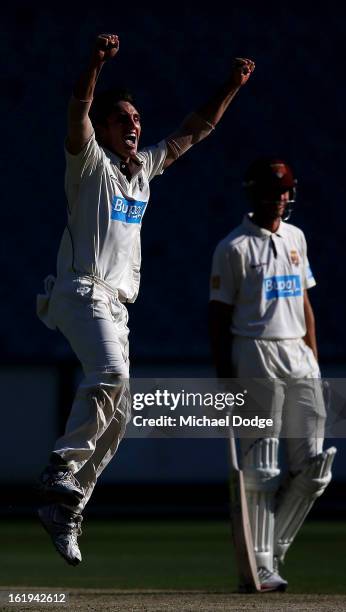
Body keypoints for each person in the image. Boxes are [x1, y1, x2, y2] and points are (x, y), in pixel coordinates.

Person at [36, 33, 255, 566]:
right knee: (111, 377)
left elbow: (195, 130)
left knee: (123, 411)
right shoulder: (88, 163)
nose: (134, 125)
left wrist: (230, 85)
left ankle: (67, 508)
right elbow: (79, 108)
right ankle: (60, 468)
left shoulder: (144, 173)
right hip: (80, 289)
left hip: (116, 305)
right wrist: (94, 62)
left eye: (137, 119)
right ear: (105, 131)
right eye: (123, 120)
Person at [208, 158, 336, 592]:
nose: (281, 198)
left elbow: (304, 303)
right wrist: (226, 379)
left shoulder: (296, 238)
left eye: (286, 191)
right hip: (254, 351)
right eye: (273, 190)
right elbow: (217, 317)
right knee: (262, 466)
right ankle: (261, 565)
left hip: (298, 352)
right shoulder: (233, 248)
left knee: (316, 466)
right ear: (254, 192)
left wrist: (314, 360)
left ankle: (272, 549)